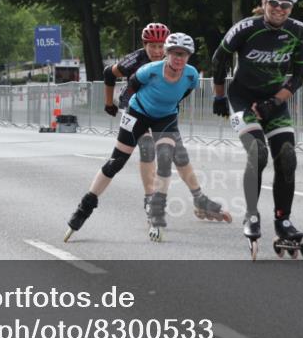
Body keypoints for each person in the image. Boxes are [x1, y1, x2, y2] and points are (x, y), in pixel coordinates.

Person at [67, 33, 210, 242]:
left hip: (165, 117)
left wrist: (166, 105)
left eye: (185, 55)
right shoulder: (149, 71)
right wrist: (119, 107)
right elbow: (130, 89)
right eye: (175, 54)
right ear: (167, 54)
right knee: (116, 162)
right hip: (137, 113)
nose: (179, 59)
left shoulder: (191, 76)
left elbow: (183, 93)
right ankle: (84, 207)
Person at [211, 0, 303, 260]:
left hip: (274, 101)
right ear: (264, 3)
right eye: (274, 3)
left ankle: (283, 220)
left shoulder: (299, 31)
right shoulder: (246, 28)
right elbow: (219, 61)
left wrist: (274, 102)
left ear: (291, 7)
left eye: (286, 5)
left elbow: (300, 75)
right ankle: (251, 215)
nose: (279, 9)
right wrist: (219, 96)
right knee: (258, 154)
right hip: (242, 98)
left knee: (287, 156)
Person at [103, 23, 228, 222]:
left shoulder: (174, 62)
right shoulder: (135, 60)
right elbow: (109, 73)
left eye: (161, 46)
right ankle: (149, 197)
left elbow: (183, 89)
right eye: (152, 46)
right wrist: (109, 103)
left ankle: (199, 198)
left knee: (178, 154)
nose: (157, 51)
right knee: (146, 147)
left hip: (162, 113)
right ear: (144, 45)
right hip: (134, 107)